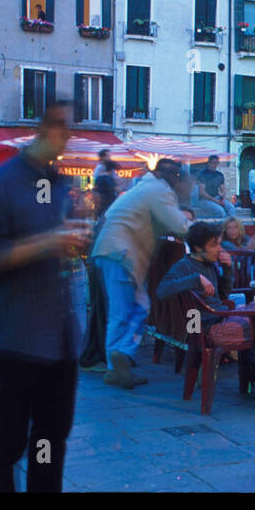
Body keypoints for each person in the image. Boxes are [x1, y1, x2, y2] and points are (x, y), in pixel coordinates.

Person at [0, 98, 93, 492]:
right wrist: (46, 243)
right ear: (47, 128)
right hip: (16, 336)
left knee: (50, 440)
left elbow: (51, 242)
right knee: (11, 442)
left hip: (59, 338)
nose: (69, 138)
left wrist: (65, 244)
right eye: (65, 129)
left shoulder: (55, 184)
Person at [156, 222, 255, 403]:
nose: (219, 249)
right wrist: (195, 279)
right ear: (198, 247)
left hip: (222, 317)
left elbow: (222, 295)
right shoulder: (184, 266)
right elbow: (162, 291)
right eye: (214, 245)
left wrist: (228, 269)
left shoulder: (209, 264)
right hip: (210, 329)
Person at [90, 158, 191, 387]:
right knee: (139, 308)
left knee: (121, 312)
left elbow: (113, 216)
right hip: (123, 254)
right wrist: (206, 232)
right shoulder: (160, 191)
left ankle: (115, 366)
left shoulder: (142, 187)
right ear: (173, 178)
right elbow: (179, 225)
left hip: (109, 251)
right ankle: (122, 355)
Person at [91, 149, 118, 217]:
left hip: (109, 195)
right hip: (103, 195)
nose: (109, 157)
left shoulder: (109, 167)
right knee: (103, 211)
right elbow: (96, 178)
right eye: (108, 156)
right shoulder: (99, 168)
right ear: (103, 157)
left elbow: (115, 178)